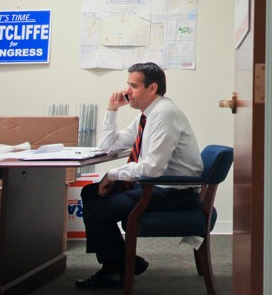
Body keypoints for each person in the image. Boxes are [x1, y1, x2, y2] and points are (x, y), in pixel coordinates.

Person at [76, 61, 204, 289]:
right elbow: (108, 146)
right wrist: (112, 110)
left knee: (98, 207)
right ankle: (122, 263)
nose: (127, 92)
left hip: (175, 192)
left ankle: (117, 267)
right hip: (156, 186)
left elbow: (153, 167)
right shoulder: (148, 115)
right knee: (90, 192)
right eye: (128, 85)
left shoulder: (165, 114)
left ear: (152, 88)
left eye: (133, 86)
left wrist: (112, 175)